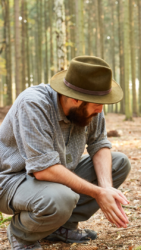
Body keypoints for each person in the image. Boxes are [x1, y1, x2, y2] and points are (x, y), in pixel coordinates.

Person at [0, 56, 131, 250]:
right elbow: (43, 170)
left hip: (54, 177)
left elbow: (99, 143)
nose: (101, 109)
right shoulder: (34, 104)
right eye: (97, 104)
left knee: (119, 163)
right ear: (74, 98)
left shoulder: (92, 102)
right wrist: (97, 193)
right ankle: (22, 235)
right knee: (61, 198)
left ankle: (59, 227)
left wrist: (106, 188)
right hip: (12, 180)